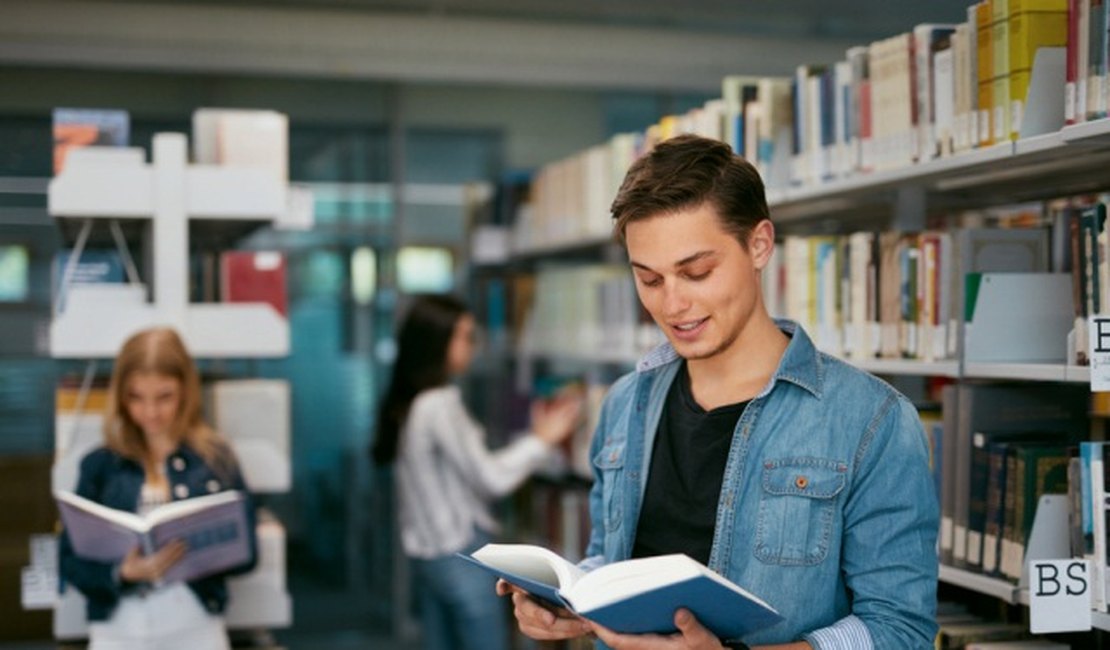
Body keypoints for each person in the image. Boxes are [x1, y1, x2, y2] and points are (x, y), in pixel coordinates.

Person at [498, 134, 939, 650]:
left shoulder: (871, 421)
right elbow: (613, 558)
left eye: (697, 272)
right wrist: (569, 600)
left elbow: (899, 630)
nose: (673, 304)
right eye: (650, 279)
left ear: (759, 244)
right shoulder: (623, 404)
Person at [371, 294, 582, 650]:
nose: (473, 346)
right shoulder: (438, 404)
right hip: (459, 552)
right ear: (438, 342)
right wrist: (541, 440)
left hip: (428, 556)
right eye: (465, 336)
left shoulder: (410, 400)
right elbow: (491, 478)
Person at [58, 327, 258, 650]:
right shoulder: (99, 465)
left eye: (164, 397)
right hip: (118, 630)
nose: (150, 412)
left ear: (186, 392)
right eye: (136, 397)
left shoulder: (215, 459)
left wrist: (197, 554)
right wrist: (122, 572)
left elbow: (248, 554)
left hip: (194, 625)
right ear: (121, 396)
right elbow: (68, 561)